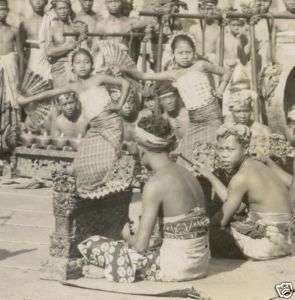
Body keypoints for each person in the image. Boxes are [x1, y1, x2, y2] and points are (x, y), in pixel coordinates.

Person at [78, 112, 210, 282]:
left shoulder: (155, 183)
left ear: (142, 150)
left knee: (92, 244)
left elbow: (140, 247)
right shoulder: (188, 174)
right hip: (201, 265)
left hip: (175, 268)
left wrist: (126, 235)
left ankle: (107, 271)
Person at [17, 48, 130, 192]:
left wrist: (119, 104)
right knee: (82, 161)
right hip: (95, 128)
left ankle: (111, 193)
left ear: (92, 65)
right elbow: (49, 93)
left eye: (86, 62)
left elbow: (125, 83)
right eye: (78, 62)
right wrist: (27, 99)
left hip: (111, 123)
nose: (82, 65)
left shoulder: (99, 78)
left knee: (110, 160)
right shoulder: (74, 86)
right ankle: (91, 193)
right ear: (72, 67)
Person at [121, 32, 232, 167]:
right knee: (186, 156)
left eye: (188, 52)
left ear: (194, 52)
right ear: (173, 54)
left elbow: (227, 72)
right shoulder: (173, 74)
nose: (185, 56)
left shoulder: (201, 65)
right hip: (195, 120)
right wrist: (124, 69)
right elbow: (143, 75)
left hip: (212, 116)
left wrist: (220, 90)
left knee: (214, 152)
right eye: (180, 53)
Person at [196, 124, 293, 260]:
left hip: (269, 245)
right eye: (221, 149)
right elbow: (234, 201)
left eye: (230, 149)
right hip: (286, 238)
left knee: (210, 232)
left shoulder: (241, 177)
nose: (224, 155)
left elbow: (221, 220)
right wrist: (211, 176)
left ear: (246, 148)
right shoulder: (257, 166)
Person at [41, 0, 86, 87]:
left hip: (75, 67)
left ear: (69, 9)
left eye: (65, 8)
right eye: (60, 8)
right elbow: (48, 51)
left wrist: (82, 37)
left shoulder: (75, 27)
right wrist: (68, 47)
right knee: (62, 97)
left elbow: (83, 48)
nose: (63, 11)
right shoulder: (52, 28)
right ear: (55, 10)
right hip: (59, 68)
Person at [0, 0, 23, 154]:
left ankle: (10, 144)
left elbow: (21, 55)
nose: (1, 13)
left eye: (4, 10)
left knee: (11, 101)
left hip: (10, 70)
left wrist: (20, 77)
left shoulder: (14, 30)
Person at [227, 90, 272, 160]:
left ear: (251, 110)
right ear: (231, 112)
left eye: (246, 111)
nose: (242, 116)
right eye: (238, 111)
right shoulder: (227, 131)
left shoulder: (263, 130)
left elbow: (269, 157)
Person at [19, 0, 51, 80]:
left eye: (41, 0)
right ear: (30, 2)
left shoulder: (51, 20)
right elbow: (20, 48)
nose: (38, 2)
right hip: (31, 61)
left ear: (46, 2)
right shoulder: (25, 23)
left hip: (49, 59)